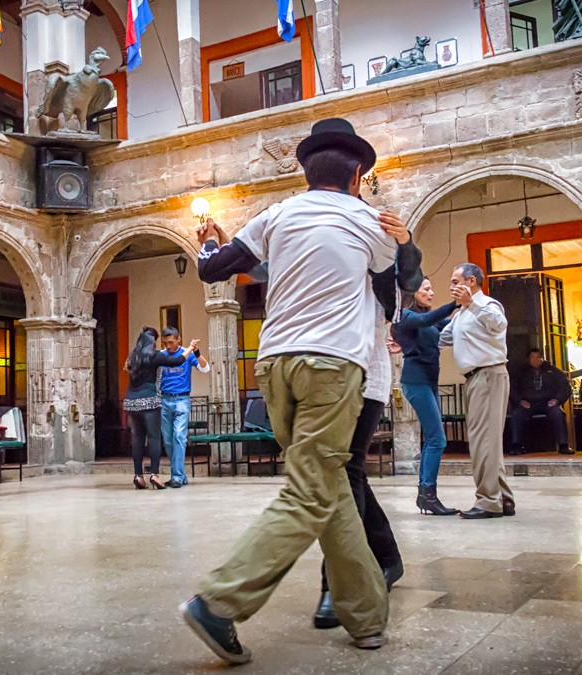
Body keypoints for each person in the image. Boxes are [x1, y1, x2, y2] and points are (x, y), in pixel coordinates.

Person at [179, 118, 403, 664]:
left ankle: (366, 615)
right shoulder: (368, 220)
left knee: (325, 482)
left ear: (305, 174)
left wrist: (207, 239)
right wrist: (404, 241)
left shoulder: (278, 214)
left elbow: (216, 271)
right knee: (311, 490)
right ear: (356, 177)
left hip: (273, 365)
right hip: (332, 367)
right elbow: (395, 296)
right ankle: (220, 602)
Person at [313, 210, 422, 630]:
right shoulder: (321, 246)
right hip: (322, 373)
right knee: (347, 472)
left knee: (340, 472)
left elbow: (409, 282)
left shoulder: (380, 250)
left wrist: (406, 241)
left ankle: (338, 583)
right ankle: (387, 558)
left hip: (365, 372)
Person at [439, 263, 515, 519]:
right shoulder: (461, 314)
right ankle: (502, 498)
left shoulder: (487, 305)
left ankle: (487, 502)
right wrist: (404, 341)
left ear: (470, 281)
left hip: (489, 375)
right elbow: (441, 338)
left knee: (484, 440)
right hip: (474, 379)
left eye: (454, 280)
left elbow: (498, 324)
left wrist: (472, 304)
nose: (450, 286)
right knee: (487, 441)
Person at [392, 278, 459, 515]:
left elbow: (449, 324)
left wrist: (472, 306)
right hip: (415, 381)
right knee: (436, 439)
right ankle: (428, 494)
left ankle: (426, 496)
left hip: (429, 381)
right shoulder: (405, 316)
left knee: (433, 439)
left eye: (432, 288)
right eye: (427, 289)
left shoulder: (430, 320)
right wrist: (454, 303)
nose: (432, 292)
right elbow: (425, 320)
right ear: (413, 292)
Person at [124, 327, 199, 490]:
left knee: (137, 439)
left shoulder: (132, 357)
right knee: (154, 438)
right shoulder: (154, 355)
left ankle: (138, 476)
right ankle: (154, 475)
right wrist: (191, 350)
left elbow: (128, 369)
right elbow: (178, 361)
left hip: (130, 401)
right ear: (153, 341)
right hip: (149, 401)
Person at [158, 327, 210, 488]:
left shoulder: (187, 354)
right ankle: (180, 474)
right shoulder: (162, 355)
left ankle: (177, 476)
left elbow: (205, 368)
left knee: (179, 437)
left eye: (171, 342)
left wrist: (197, 352)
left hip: (182, 399)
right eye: (165, 343)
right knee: (167, 440)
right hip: (165, 400)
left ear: (179, 339)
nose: (168, 346)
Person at [509, 348, 573, 455]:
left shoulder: (552, 371)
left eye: (538, 357)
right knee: (517, 414)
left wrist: (557, 400)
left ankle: (563, 445)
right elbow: (511, 388)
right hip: (528, 403)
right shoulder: (520, 372)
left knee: (558, 414)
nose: (536, 360)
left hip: (547, 403)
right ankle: (516, 445)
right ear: (528, 359)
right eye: (533, 358)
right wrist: (520, 401)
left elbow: (565, 386)